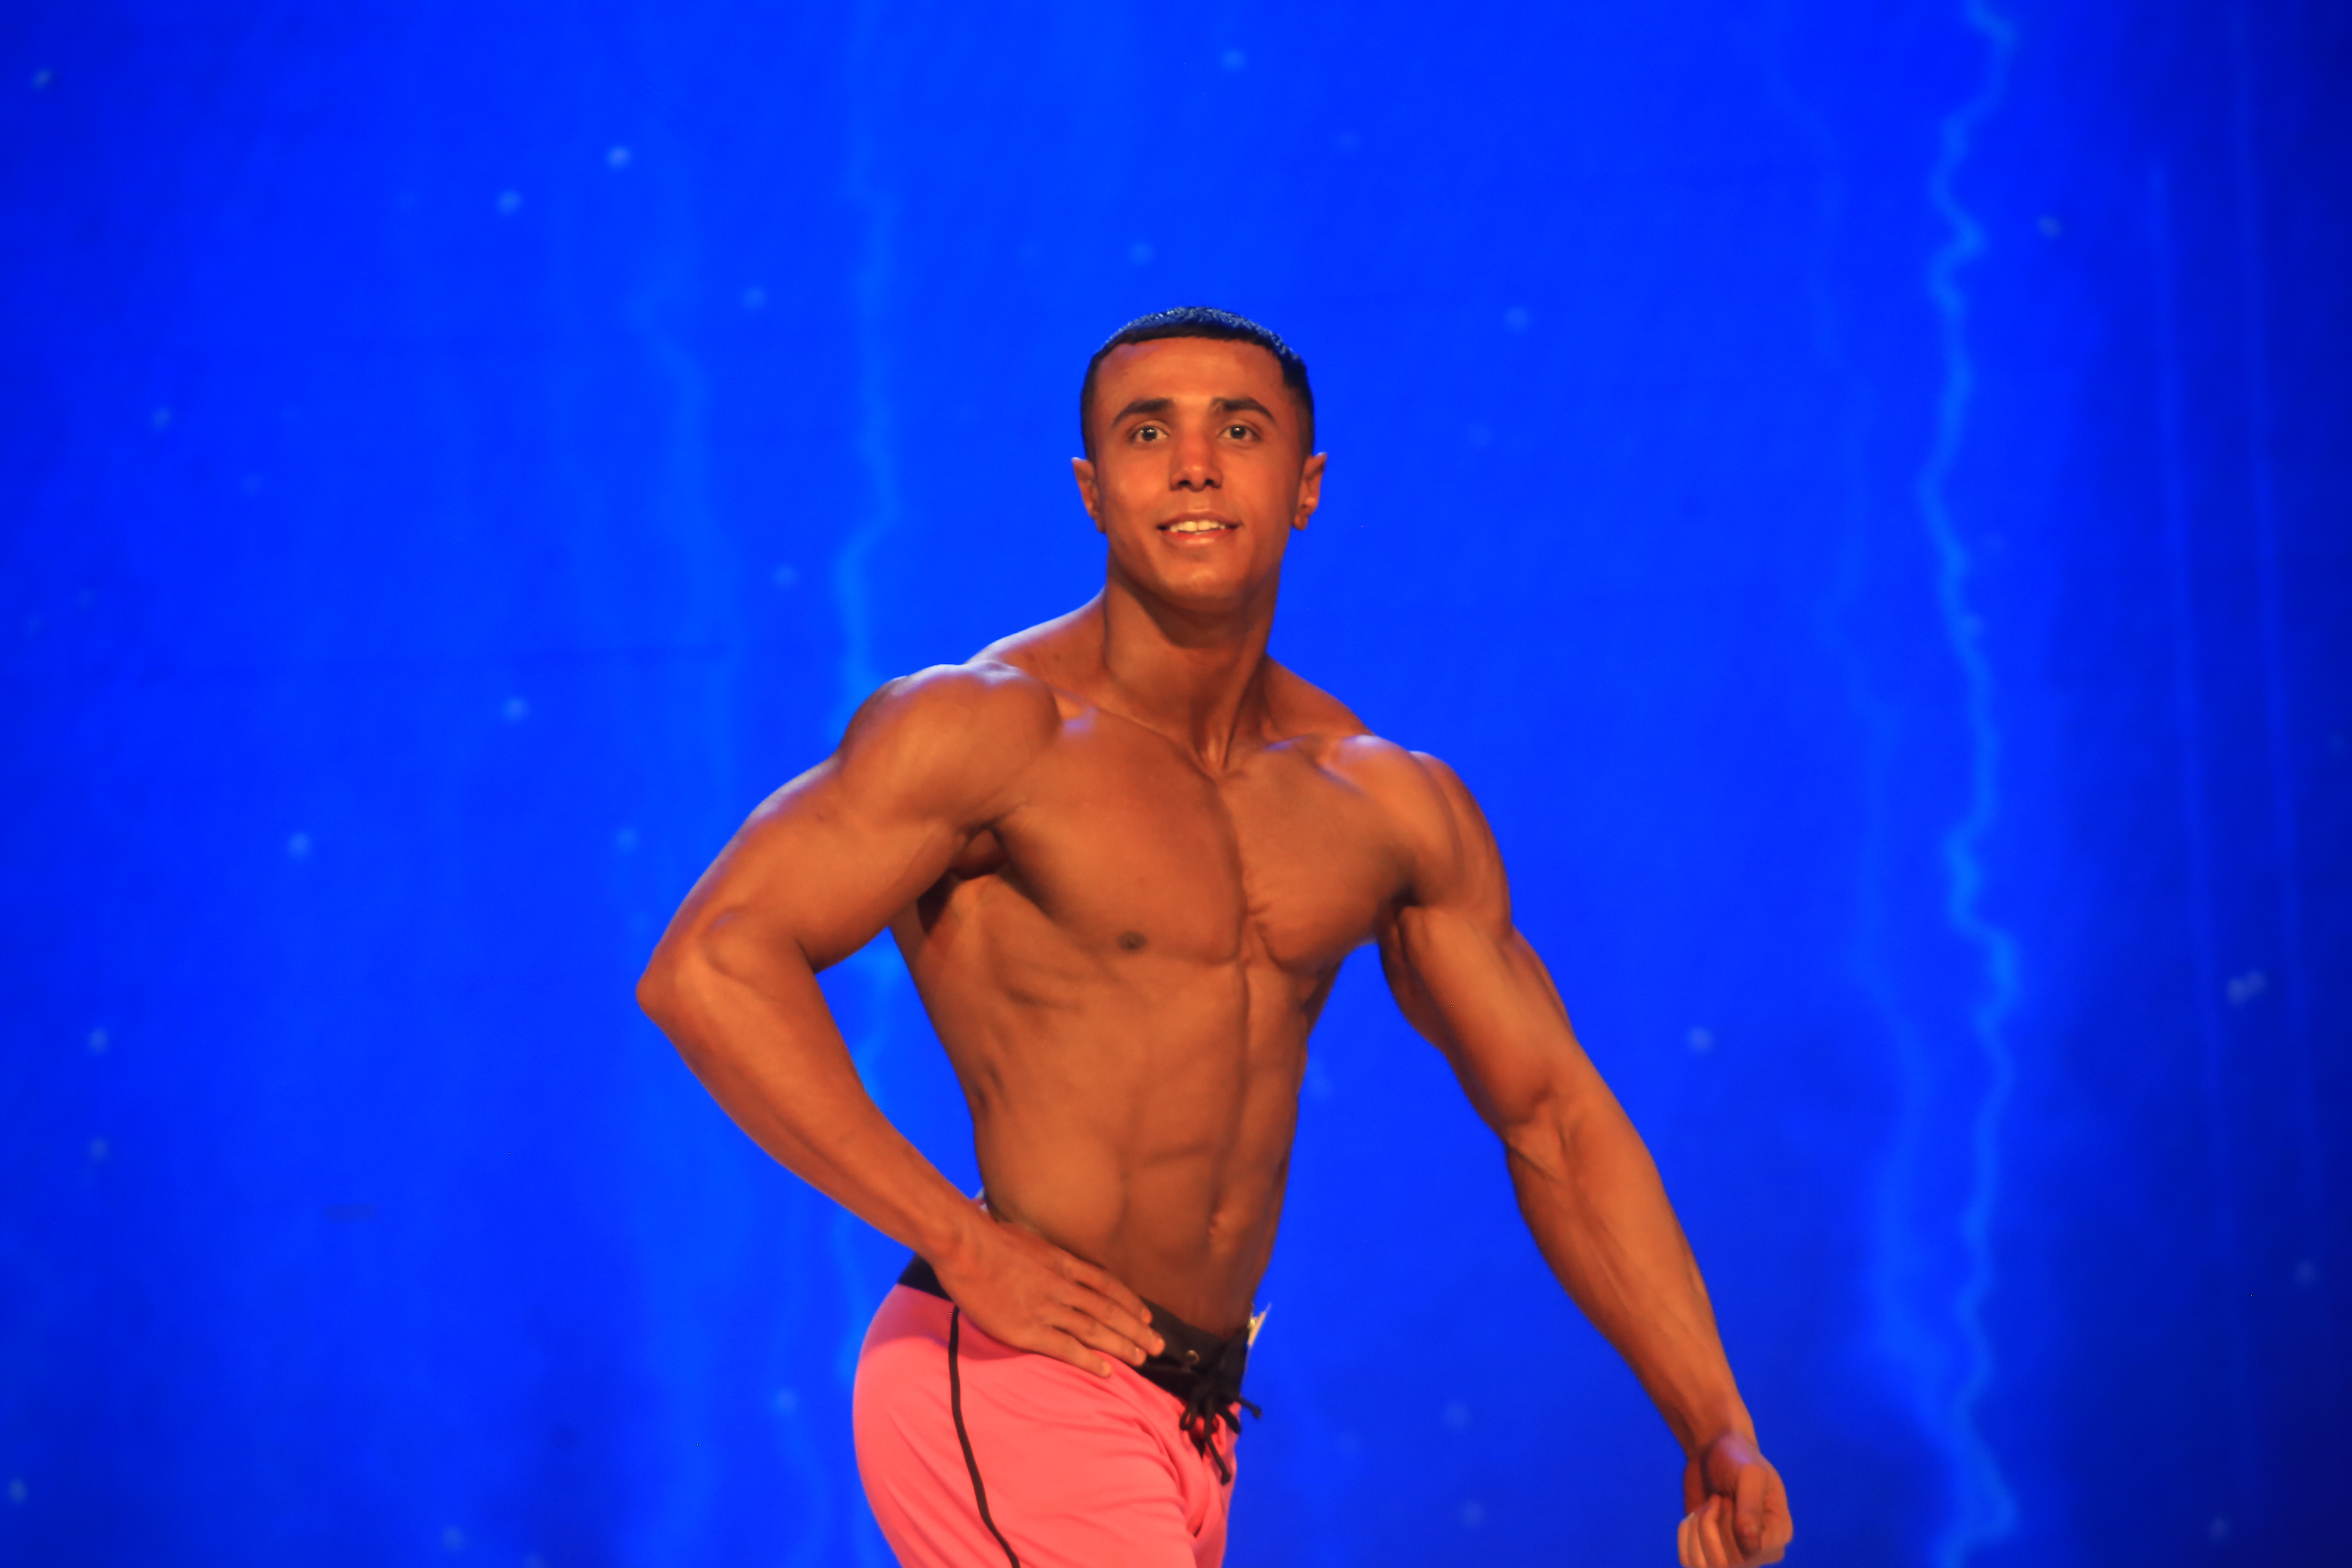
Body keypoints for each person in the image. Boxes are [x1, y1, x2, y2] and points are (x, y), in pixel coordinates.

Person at [637, 306, 1795, 1568]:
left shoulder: (1386, 802)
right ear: (1093, 491)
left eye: (1238, 431)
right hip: (1015, 1379)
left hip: (1194, 1424)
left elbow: (1554, 1117)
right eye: (1149, 434)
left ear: (1305, 486)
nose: (1194, 466)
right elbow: (711, 964)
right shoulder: (989, 733)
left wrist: (1715, 1421)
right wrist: (961, 1242)